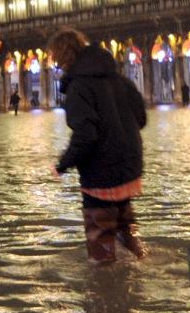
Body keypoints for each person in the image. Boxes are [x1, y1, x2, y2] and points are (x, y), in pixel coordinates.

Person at [49, 28, 147, 262]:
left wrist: (62, 165)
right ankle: (142, 263)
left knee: (100, 241)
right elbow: (141, 119)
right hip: (130, 171)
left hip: (101, 176)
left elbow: (86, 135)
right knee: (126, 229)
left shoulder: (78, 88)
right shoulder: (120, 80)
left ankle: (105, 290)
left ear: (62, 57)